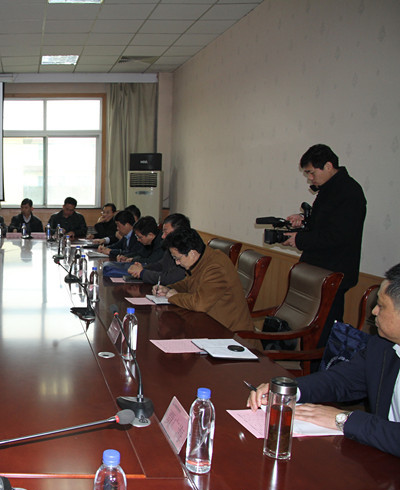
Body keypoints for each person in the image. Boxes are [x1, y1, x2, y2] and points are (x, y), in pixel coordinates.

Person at [247, 263, 400, 457]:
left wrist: (344, 420)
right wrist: (288, 391)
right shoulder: (382, 346)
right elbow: (342, 380)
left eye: (382, 306)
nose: (374, 312)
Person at [282, 144, 367, 347]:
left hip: (333, 273)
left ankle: (318, 365)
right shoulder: (329, 189)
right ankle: (309, 361)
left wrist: (299, 240)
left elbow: (339, 235)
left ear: (328, 166)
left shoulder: (349, 192)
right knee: (311, 327)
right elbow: (324, 223)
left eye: (311, 173)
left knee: (324, 331)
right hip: (318, 271)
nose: (310, 178)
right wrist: (304, 220)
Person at [154, 227, 253, 333]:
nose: (177, 263)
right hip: (207, 324)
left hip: (230, 334)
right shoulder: (202, 260)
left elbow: (199, 304)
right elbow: (189, 283)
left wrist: (174, 297)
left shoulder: (215, 267)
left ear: (192, 253)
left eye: (177, 258)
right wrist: (168, 289)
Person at [127, 213, 190, 285]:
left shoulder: (186, 251)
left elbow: (169, 278)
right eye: (163, 232)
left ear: (179, 232)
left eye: (166, 232)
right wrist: (142, 269)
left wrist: (142, 273)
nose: (163, 236)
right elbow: (160, 265)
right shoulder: (171, 248)